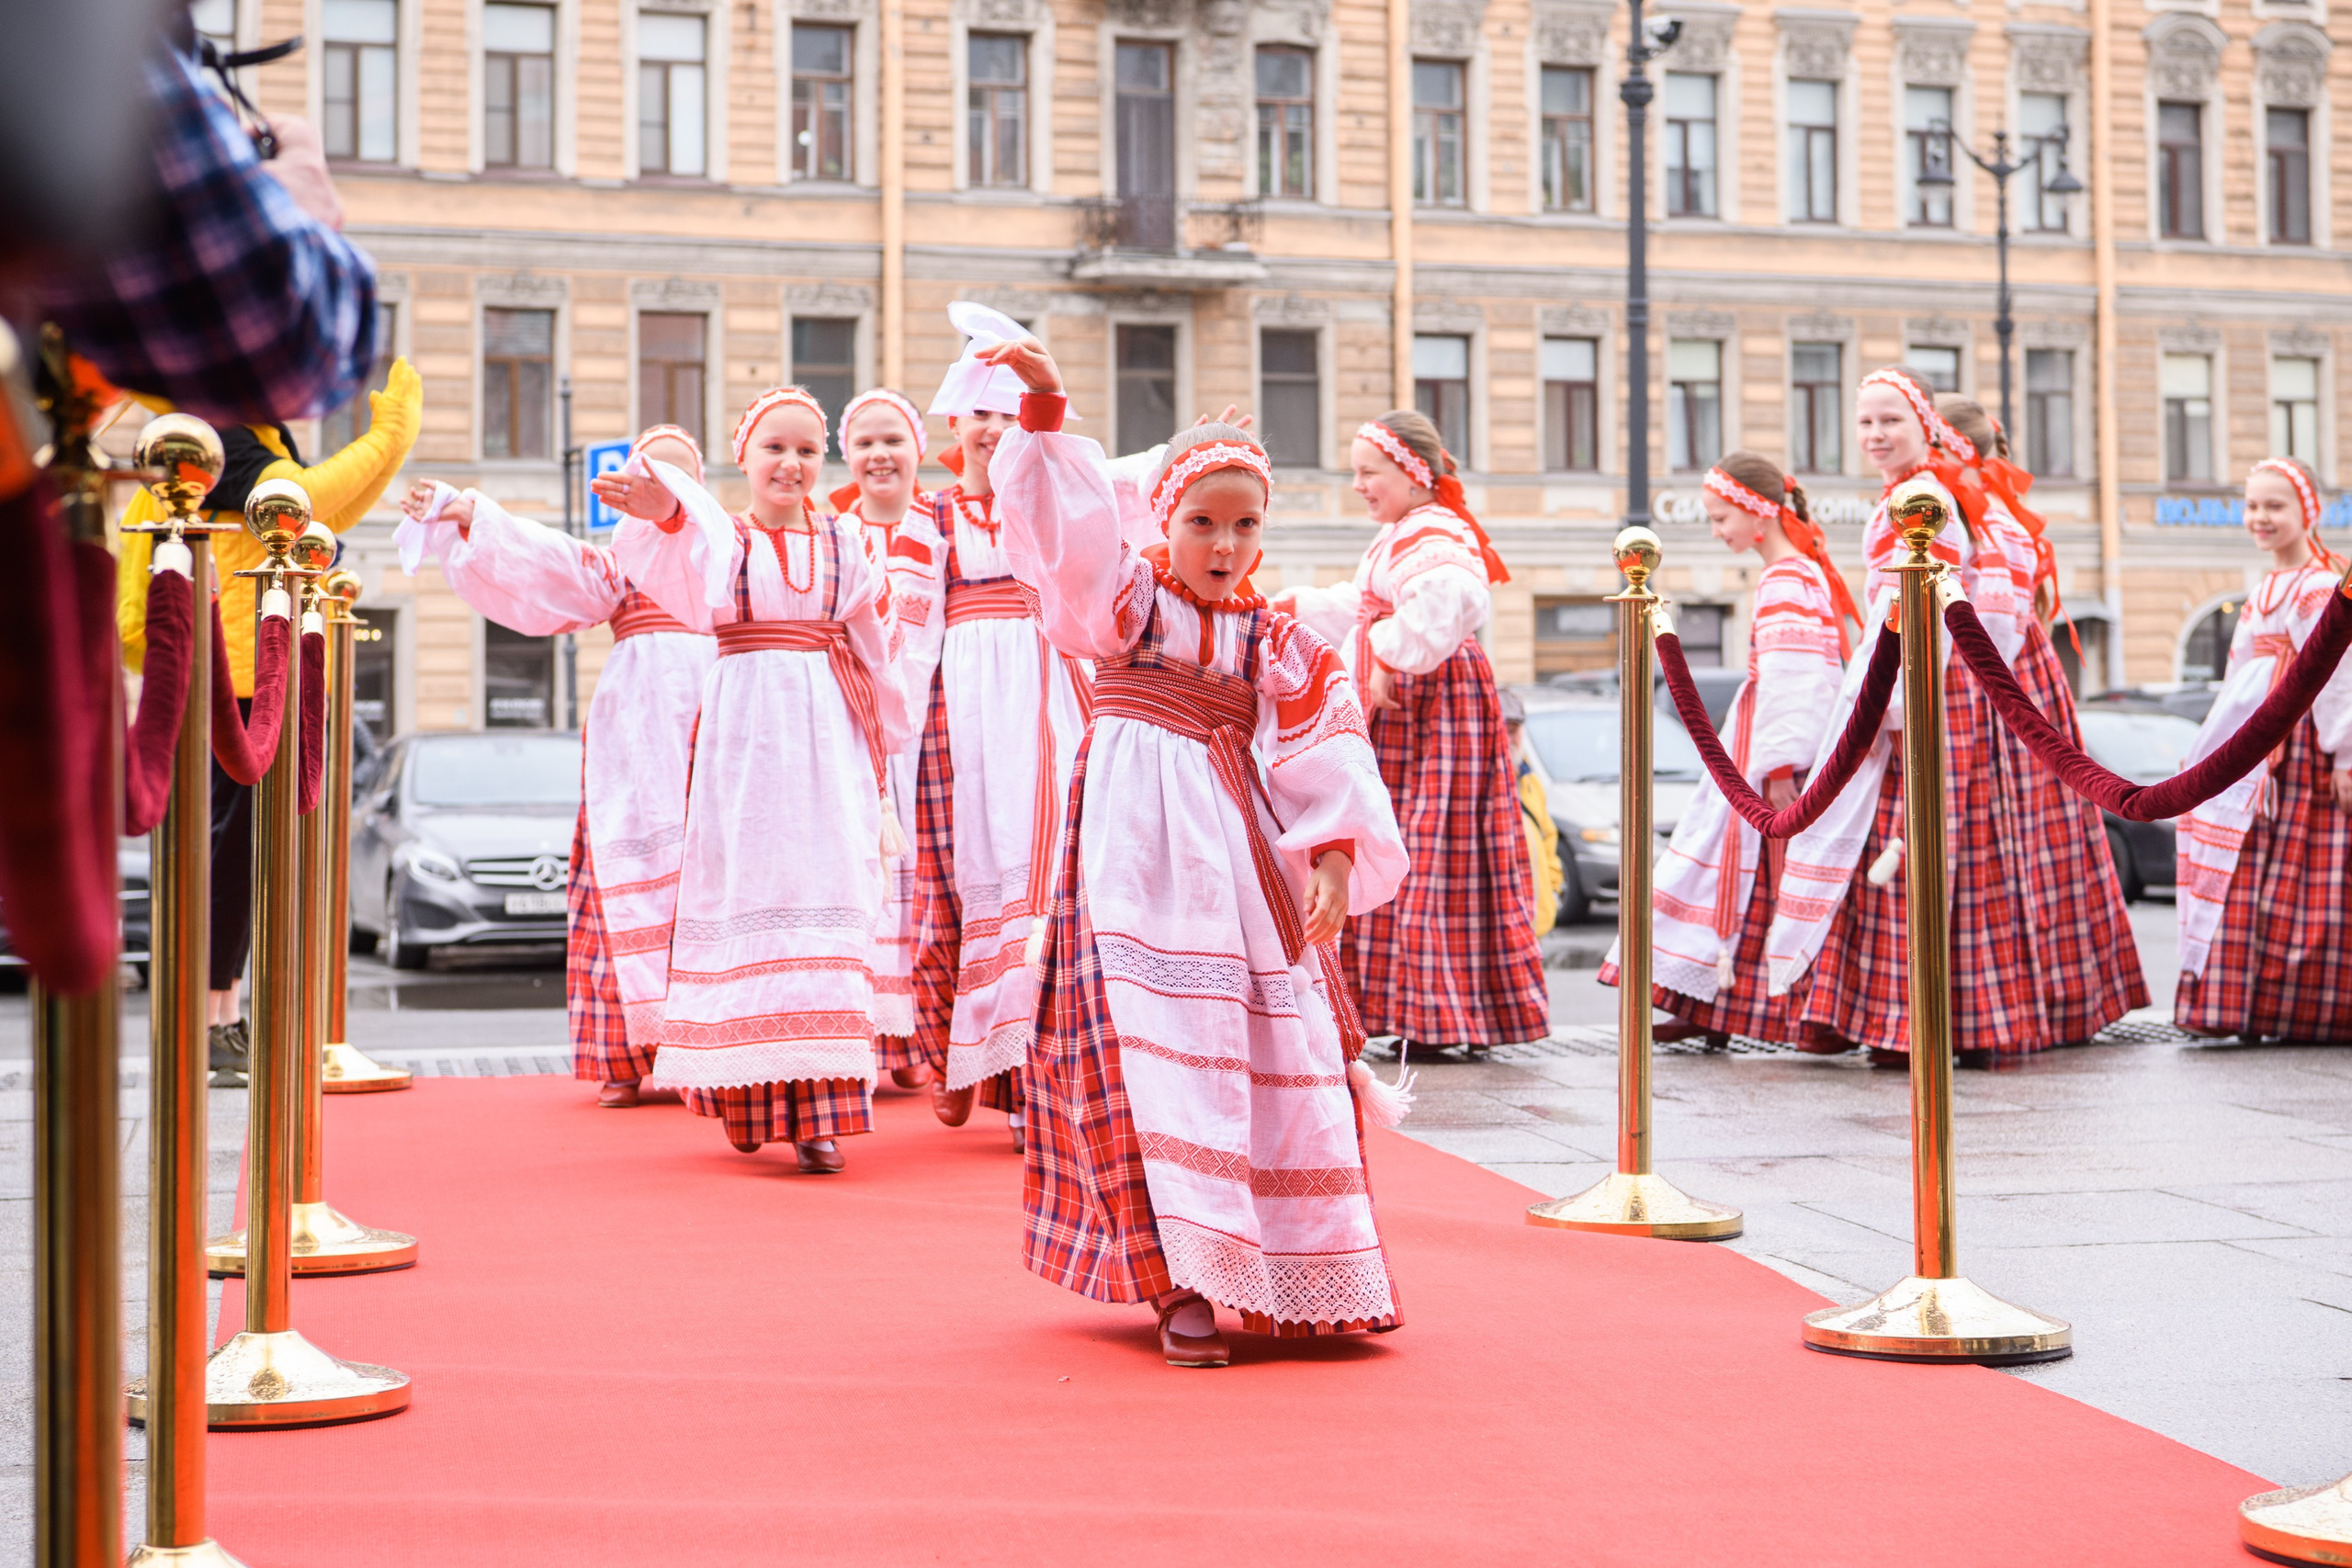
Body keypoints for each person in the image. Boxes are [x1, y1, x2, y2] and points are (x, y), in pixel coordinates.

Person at [983, 336, 1408, 1367]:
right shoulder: (1125, 605)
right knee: (1145, 1048)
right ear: (1163, 523)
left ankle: (1278, 1266)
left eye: (1244, 524)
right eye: (1201, 522)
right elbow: (1061, 540)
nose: (1223, 544)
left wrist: (1336, 857)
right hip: (1129, 851)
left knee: (1261, 1041)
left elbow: (1329, 737)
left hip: (1232, 854)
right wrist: (1044, 405)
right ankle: (1177, 1280)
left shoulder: (1275, 636)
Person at [1769, 367, 2146, 1062]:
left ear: (1925, 427)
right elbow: (1996, 601)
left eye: (1891, 422)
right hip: (1965, 682)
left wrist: (1903, 704)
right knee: (1971, 851)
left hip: (1936, 686)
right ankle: (1965, 1010)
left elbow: (1927, 615)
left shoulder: (1923, 497)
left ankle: (1916, 1019)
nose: (1877, 435)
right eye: (1867, 423)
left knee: (1926, 848)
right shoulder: (1945, 489)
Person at [597, 388, 910, 1170]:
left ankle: (821, 1114)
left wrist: (885, 738)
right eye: (775, 448)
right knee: (749, 891)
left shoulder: (845, 544)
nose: (792, 464)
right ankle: (745, 1094)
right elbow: (677, 550)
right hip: (747, 740)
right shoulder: (725, 540)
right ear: (745, 459)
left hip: (827, 735)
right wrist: (665, 511)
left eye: (807, 450)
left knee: (828, 891)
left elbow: (880, 646)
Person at [116, 368, 422, 1085]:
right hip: (241, 683)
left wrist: (390, 447)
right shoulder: (223, 435)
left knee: (245, 855)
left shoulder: (252, 436)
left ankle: (224, 1013)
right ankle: (211, 1019)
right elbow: (307, 498)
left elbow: (328, 516)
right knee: (230, 855)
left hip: (261, 677)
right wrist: (391, 432)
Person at [397, 425, 717, 1107]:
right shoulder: (619, 566)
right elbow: (549, 561)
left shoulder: (726, 556)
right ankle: (624, 1058)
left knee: (713, 889)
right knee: (620, 880)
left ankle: (711, 1047)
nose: (659, 487)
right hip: (635, 745)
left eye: (675, 475)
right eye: (648, 474)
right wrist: (472, 513)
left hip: (718, 734)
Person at [1274, 412, 1548, 1057]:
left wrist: (1386, 656)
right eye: (1356, 472)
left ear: (1413, 473)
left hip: (1429, 701)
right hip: (1411, 700)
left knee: (1428, 843)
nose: (1359, 485)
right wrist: (1297, 607)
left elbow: (1450, 596)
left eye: (1370, 472)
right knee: (1404, 841)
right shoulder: (1408, 530)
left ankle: (1435, 1013)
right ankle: (1416, 1009)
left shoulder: (1433, 530)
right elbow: (1370, 603)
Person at [902, 310, 1094, 1147]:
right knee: (960, 871)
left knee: (1046, 875)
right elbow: (906, 628)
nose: (991, 428)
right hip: (965, 706)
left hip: (1046, 695)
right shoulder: (930, 517)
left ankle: (1028, 1083)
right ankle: (961, 1052)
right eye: (978, 412)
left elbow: (1104, 507)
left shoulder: (1040, 506)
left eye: (1007, 412)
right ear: (953, 424)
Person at [1599, 454, 1850, 1048]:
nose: (1716, 531)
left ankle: (1789, 1010)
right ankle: (1718, 1005)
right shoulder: (1803, 570)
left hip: (1768, 751)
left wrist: (1782, 763)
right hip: (1758, 745)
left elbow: (1796, 675)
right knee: (1740, 874)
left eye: (1720, 518)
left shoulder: (1784, 577)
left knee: (1748, 875)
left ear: (1757, 513)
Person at [2174, 458, 2352, 1043]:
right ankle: (2248, 1003)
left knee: (2304, 877)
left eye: (2276, 507)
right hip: (2260, 740)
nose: (2261, 518)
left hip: (2297, 744)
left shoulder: (2318, 587)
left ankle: (2303, 1007)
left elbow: (2337, 675)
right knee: (2251, 876)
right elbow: (2240, 675)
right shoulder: (2265, 588)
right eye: (2253, 506)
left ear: (2309, 513)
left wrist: (2345, 752)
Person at [831, 389, 946, 1089]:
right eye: (866, 443)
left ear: (918, 452)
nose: (880, 454)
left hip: (930, 736)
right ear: (849, 456)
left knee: (924, 887)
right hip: (852, 737)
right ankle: (861, 1032)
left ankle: (910, 1038)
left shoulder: (944, 531)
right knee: (859, 879)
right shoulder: (831, 531)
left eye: (893, 440)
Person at [1499, 691, 1563, 941]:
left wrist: (1554, 890)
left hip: (1534, 927)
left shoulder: (1531, 782)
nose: (1507, 738)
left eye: (1513, 729)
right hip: (1502, 930)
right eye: (1500, 728)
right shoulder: (1474, 784)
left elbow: (1549, 839)